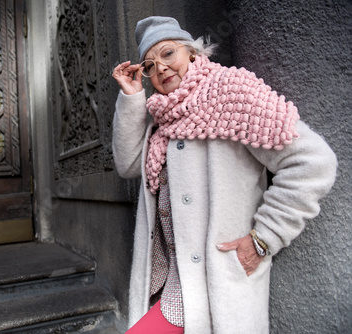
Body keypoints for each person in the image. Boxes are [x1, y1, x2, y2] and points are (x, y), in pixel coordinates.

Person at [111, 16, 337, 334]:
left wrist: (263, 238)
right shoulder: (163, 118)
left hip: (211, 281)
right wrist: (133, 98)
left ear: (191, 52)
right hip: (170, 277)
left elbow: (314, 162)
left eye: (167, 53)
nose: (159, 67)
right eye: (149, 65)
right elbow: (129, 164)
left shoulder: (232, 93)